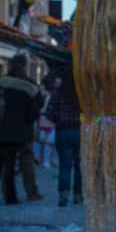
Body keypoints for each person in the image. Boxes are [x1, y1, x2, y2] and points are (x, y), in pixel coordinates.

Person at [0, 54, 42, 205]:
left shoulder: (1, 82)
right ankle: (14, 196)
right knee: (14, 164)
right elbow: (34, 111)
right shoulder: (31, 85)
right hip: (20, 132)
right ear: (24, 66)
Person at [46, 67, 82, 207]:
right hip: (80, 131)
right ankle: (78, 195)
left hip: (63, 131)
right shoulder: (81, 93)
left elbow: (49, 113)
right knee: (79, 165)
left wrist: (58, 119)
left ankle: (64, 194)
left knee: (65, 165)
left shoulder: (57, 93)